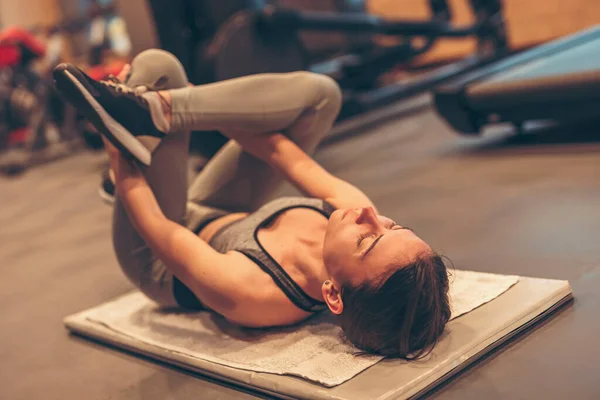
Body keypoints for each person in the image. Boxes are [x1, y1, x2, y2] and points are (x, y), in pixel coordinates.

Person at [53, 49, 451, 359]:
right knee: (321, 98)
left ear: (333, 294)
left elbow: (159, 227)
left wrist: (118, 145)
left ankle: (139, 128)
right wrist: (196, 107)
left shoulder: (254, 295)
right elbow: (282, 155)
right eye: (393, 225)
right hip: (216, 212)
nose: (370, 217)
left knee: (159, 68)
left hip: (153, 251)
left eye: (368, 241)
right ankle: (156, 112)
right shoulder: (354, 215)